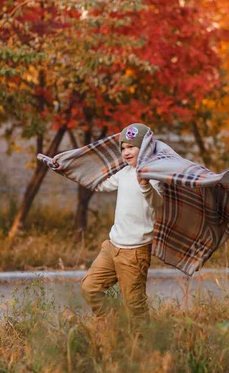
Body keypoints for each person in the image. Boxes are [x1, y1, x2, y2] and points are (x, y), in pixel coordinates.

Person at [80, 123, 163, 324]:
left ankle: (143, 346)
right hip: (112, 246)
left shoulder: (154, 175)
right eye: (123, 148)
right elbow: (99, 185)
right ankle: (113, 323)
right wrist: (70, 170)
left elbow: (158, 204)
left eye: (131, 147)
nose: (126, 152)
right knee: (90, 288)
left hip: (134, 252)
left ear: (144, 148)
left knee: (135, 306)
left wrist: (145, 186)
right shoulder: (124, 173)